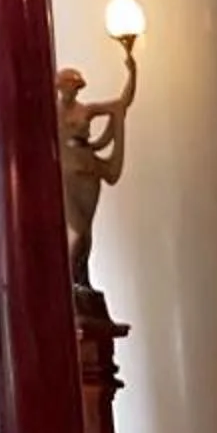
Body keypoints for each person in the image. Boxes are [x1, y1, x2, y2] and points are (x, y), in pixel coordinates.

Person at [58, 51, 137, 291]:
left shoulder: (86, 110)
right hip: (67, 174)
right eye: (68, 85)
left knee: (87, 235)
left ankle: (83, 281)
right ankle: (68, 283)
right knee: (78, 232)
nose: (72, 90)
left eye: (75, 85)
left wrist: (133, 73)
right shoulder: (52, 111)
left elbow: (121, 104)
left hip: (88, 175)